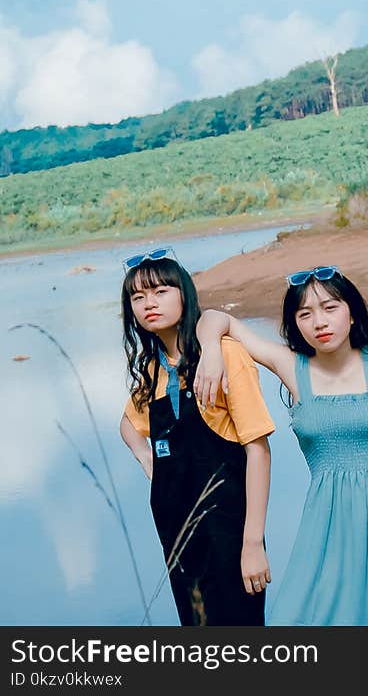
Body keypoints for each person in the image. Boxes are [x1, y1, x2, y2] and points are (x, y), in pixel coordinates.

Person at [193, 265, 368, 626]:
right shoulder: (291, 367)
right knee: (301, 615)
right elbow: (215, 319)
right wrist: (212, 352)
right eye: (305, 314)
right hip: (330, 521)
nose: (319, 322)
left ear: (352, 311)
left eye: (330, 308)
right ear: (294, 323)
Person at [118, 247, 274, 626]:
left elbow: (258, 450)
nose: (148, 304)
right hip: (177, 532)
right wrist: (145, 456)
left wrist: (252, 543)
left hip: (227, 531)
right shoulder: (153, 370)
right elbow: (127, 424)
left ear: (184, 294)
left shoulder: (225, 355)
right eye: (138, 297)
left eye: (160, 292)